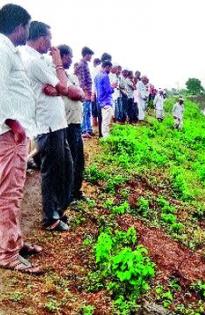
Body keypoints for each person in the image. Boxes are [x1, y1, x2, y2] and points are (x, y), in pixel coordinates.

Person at [0, 3, 43, 274]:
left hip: (11, 131)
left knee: (9, 191)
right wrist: (13, 122)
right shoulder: (3, 49)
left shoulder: (7, 49)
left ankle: (13, 239)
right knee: (10, 193)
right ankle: (8, 252)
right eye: (26, 27)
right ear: (19, 27)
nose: (27, 32)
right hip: (8, 133)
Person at [22, 21, 74, 231]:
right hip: (48, 125)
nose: (51, 44)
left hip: (56, 124)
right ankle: (50, 217)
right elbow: (64, 86)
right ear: (42, 38)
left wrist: (59, 88)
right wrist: (58, 63)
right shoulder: (34, 61)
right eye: (50, 39)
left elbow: (60, 88)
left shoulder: (36, 59)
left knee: (65, 168)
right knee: (52, 172)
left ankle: (57, 211)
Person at [58, 44, 86, 200]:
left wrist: (79, 93)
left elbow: (81, 94)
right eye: (70, 56)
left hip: (76, 123)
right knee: (70, 162)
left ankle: (76, 191)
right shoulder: (57, 76)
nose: (71, 59)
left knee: (79, 160)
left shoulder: (72, 77)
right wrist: (78, 93)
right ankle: (68, 195)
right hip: (66, 124)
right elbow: (75, 94)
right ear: (62, 56)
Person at [77, 46, 94, 138]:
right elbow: (82, 81)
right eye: (90, 55)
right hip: (85, 92)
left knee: (87, 112)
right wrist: (86, 93)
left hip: (87, 92)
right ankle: (84, 130)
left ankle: (88, 129)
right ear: (86, 55)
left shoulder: (85, 64)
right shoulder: (81, 65)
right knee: (85, 111)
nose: (91, 57)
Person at [94, 60, 114, 137]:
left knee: (102, 120)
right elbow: (108, 90)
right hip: (106, 101)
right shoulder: (105, 76)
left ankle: (102, 135)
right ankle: (106, 138)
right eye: (110, 68)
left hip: (99, 101)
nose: (110, 70)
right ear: (107, 67)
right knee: (106, 121)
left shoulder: (97, 76)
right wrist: (113, 87)